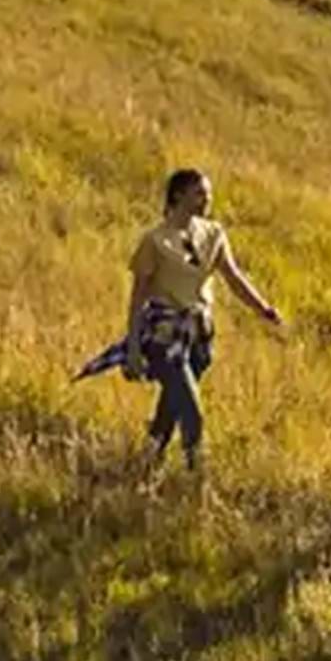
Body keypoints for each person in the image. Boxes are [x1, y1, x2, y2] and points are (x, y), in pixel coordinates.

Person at [124, 167, 283, 473]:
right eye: (199, 193)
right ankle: (197, 480)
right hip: (165, 335)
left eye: (207, 193)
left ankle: (145, 467)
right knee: (192, 413)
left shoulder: (213, 233)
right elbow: (137, 298)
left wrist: (263, 308)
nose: (206, 199)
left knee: (170, 409)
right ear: (179, 194)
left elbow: (233, 277)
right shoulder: (155, 241)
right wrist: (133, 347)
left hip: (199, 335)